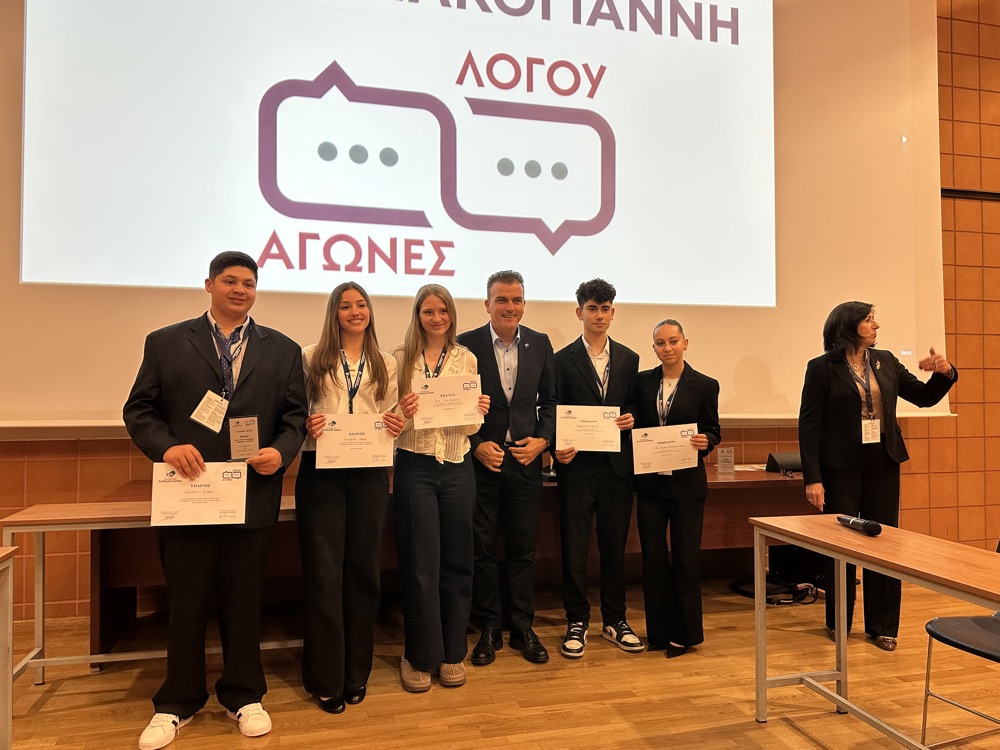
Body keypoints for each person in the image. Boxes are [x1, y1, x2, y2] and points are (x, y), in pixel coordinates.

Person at [123, 251, 308, 750]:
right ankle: (176, 702)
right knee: (185, 600)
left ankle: (244, 695)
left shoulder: (283, 349)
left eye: (248, 282)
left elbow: (295, 417)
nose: (240, 290)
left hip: (252, 494)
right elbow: (138, 410)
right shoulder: (165, 342)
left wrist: (281, 451)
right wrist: (166, 447)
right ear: (209, 285)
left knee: (244, 599)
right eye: (230, 281)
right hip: (189, 491)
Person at [799, 301, 957, 651]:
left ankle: (883, 626)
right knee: (841, 544)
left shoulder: (885, 361)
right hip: (840, 466)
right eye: (869, 320)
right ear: (848, 326)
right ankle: (839, 621)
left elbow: (923, 398)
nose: (876, 325)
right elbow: (809, 425)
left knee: (884, 542)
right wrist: (813, 477)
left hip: (882, 461)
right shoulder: (822, 368)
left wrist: (944, 373)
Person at [294, 282, 404, 713]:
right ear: (334, 313)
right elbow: (296, 411)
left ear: (369, 312)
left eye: (361, 305)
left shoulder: (385, 362)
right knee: (324, 576)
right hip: (321, 473)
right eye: (345, 306)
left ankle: (356, 672)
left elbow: (390, 413)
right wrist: (308, 423)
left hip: (369, 475)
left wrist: (395, 424)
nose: (355, 312)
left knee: (363, 573)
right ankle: (326, 677)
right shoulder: (310, 356)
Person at [392, 284, 491, 691]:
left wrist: (477, 412)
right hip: (414, 466)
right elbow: (390, 422)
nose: (436, 318)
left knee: (457, 561)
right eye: (428, 311)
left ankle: (452, 652)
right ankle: (419, 655)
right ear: (417, 315)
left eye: (443, 311)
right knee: (421, 566)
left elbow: (469, 427)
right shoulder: (400, 359)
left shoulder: (466, 358)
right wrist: (403, 411)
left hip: (456, 467)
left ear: (451, 315)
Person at [457, 270, 557, 665]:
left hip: (526, 462)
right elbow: (455, 406)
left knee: (522, 549)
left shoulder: (540, 343)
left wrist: (543, 441)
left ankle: (521, 626)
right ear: (487, 304)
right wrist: (476, 445)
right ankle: (489, 626)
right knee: (480, 549)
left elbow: (550, 402)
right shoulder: (465, 345)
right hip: (482, 463)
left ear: (524, 304)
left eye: (516, 300)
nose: (509, 307)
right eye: (501, 299)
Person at [552, 279, 642, 658]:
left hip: (616, 469)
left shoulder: (630, 359)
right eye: (592, 308)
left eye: (605, 309)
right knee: (574, 548)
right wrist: (556, 448)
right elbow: (554, 410)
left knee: (614, 547)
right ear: (580, 312)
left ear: (613, 312)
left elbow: (634, 407)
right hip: (576, 467)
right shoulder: (560, 360)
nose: (599, 315)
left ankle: (615, 619)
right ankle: (576, 619)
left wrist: (631, 419)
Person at [634, 318, 720, 658]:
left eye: (672, 341)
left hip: (687, 486)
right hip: (650, 485)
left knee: (686, 558)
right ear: (653, 347)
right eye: (660, 343)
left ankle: (684, 635)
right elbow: (637, 424)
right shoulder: (641, 382)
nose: (666, 348)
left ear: (685, 343)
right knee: (653, 558)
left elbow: (713, 429)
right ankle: (658, 633)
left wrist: (706, 441)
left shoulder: (705, 385)